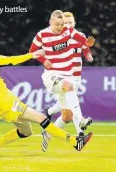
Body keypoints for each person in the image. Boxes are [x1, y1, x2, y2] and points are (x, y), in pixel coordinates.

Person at [29, 10, 95, 151]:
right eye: (57, 24)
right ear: (50, 22)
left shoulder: (68, 31)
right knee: (69, 86)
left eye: (62, 24)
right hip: (52, 76)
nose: (59, 27)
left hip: (67, 76)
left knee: (67, 116)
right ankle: (81, 126)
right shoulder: (42, 35)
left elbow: (81, 38)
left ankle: (48, 132)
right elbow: (32, 51)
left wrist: (87, 44)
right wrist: (43, 59)